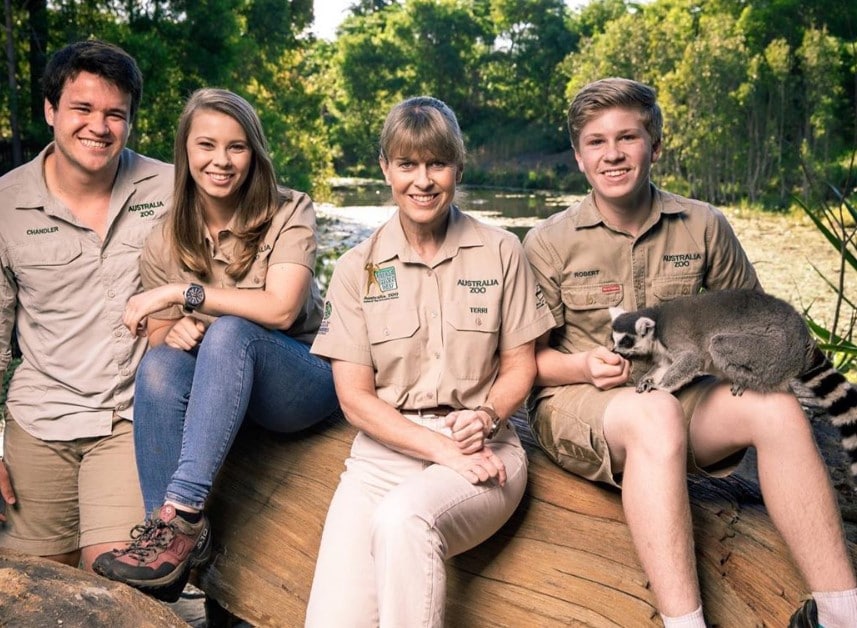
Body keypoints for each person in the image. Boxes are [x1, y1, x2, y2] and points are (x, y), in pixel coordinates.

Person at [522, 77, 857, 628]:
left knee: (774, 407)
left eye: (627, 137)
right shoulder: (549, 242)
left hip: (681, 395)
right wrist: (583, 364)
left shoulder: (703, 224)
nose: (613, 154)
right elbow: (527, 363)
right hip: (580, 402)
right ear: (580, 158)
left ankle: (841, 613)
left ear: (654, 146)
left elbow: (754, 319)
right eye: (597, 142)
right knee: (652, 414)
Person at [304, 96, 554, 627]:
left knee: (404, 522)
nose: (423, 180)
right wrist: (437, 449)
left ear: (457, 168)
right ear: (386, 170)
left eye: (437, 163)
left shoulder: (502, 250)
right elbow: (354, 398)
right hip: (381, 458)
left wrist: (485, 418)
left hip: (482, 447)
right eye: (407, 164)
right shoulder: (357, 268)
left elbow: (521, 367)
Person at [91, 88, 339, 600]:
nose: (220, 161)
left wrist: (185, 293)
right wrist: (172, 328)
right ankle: (164, 544)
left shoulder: (289, 209)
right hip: (220, 385)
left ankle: (182, 514)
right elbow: (159, 330)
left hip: (303, 381)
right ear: (186, 151)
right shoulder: (166, 234)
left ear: (255, 153)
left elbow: (282, 309)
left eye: (237, 147)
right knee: (159, 363)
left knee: (229, 330)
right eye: (206, 145)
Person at [0, 40, 171, 571]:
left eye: (114, 114)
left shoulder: (170, 186)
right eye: (83, 109)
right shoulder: (5, 203)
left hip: (130, 419)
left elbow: (244, 240)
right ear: (50, 111)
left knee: (114, 586)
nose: (99, 126)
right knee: (36, 589)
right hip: (39, 421)